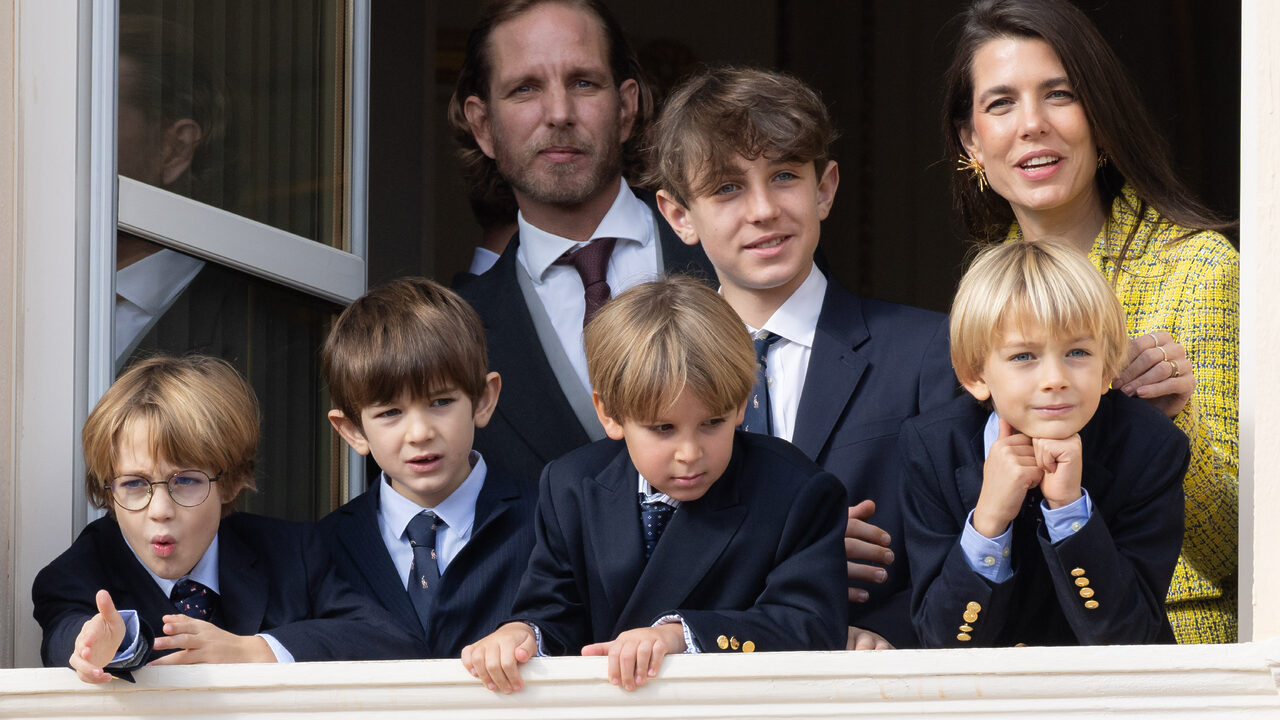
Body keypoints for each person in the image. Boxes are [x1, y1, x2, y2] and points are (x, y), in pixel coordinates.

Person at [941, 0, 1240, 643]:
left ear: (1101, 118)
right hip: (1007, 657)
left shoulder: (1197, 269)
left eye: (1060, 94)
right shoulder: (982, 288)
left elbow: (1235, 550)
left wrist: (1174, 422)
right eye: (1001, 103)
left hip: (1168, 648)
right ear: (972, 142)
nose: (1032, 124)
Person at [647, 67, 956, 649]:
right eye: (727, 188)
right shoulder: (652, 372)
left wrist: (884, 634)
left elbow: (966, 545)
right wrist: (798, 548)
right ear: (679, 215)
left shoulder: (928, 351)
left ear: (825, 188)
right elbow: (615, 563)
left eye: (784, 176)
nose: (763, 209)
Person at [461, 277, 846, 693]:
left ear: (740, 404)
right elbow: (553, 609)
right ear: (609, 414)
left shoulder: (794, 491)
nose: (690, 453)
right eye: (663, 428)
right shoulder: (572, 486)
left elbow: (811, 624)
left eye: (712, 423)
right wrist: (521, 634)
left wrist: (681, 635)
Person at [447, 0, 715, 480]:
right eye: (525, 88)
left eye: (583, 83)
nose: (559, 113)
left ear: (626, 107)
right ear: (482, 125)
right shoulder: (455, 338)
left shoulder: (730, 251)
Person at [32, 355, 418, 684]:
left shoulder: (292, 552)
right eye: (134, 484)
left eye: (185, 481)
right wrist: (98, 644)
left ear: (231, 482)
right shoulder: (79, 570)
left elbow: (391, 643)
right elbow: (66, 631)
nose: (160, 509)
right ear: (107, 491)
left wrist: (256, 650)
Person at [902, 239, 1187, 647]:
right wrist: (988, 521)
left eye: (1077, 352)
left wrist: (1070, 510)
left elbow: (1131, 637)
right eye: (1023, 356)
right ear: (976, 375)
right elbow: (940, 641)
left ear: (1107, 369)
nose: (1055, 378)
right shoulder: (933, 447)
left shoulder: (1150, 447)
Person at [318, 277, 537, 658]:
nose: (420, 433)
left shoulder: (547, 522)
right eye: (390, 412)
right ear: (352, 430)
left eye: (440, 402)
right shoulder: (323, 548)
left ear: (483, 400)